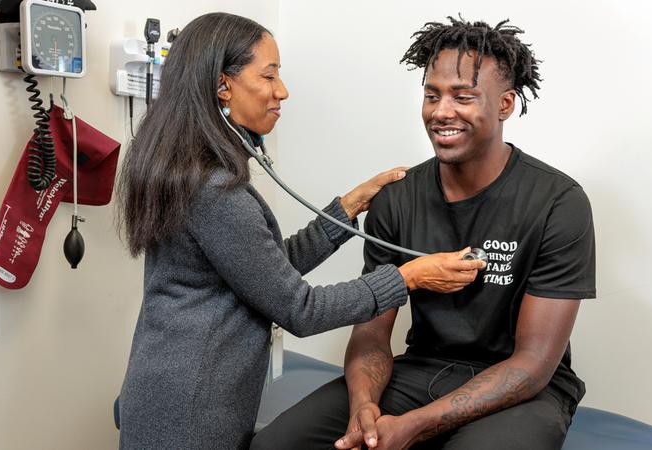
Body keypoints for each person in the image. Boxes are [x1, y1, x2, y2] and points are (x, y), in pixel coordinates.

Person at [115, 12, 486, 450]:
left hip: (173, 383)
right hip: (191, 405)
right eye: (268, 75)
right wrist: (409, 277)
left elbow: (261, 273)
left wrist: (343, 212)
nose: (282, 91)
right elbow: (299, 308)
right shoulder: (215, 189)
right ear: (222, 86)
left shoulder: (189, 170)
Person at [251, 16, 596, 450]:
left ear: (506, 104)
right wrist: (364, 408)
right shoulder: (398, 197)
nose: (441, 111)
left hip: (524, 389)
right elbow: (373, 333)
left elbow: (533, 364)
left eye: (463, 96)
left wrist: (415, 425)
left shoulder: (558, 202)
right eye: (432, 96)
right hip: (422, 367)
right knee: (274, 446)